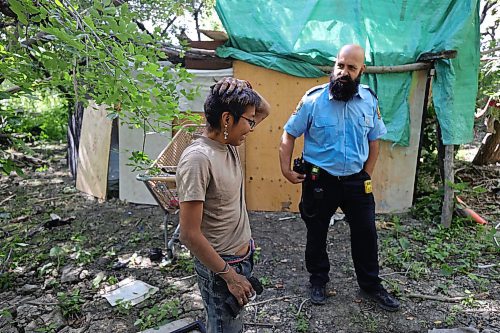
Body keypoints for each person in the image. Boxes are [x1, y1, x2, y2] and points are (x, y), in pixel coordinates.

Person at [279, 44, 400, 311]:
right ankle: (318, 280)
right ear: (334, 65)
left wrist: (366, 173)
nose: (343, 72)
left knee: (366, 232)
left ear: (361, 71)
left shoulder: (369, 100)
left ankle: (370, 285)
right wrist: (286, 169)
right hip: (320, 180)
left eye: (351, 68)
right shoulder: (312, 100)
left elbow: (375, 141)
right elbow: (289, 134)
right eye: (340, 65)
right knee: (317, 232)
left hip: (356, 180)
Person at [176, 77, 270, 332]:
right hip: (221, 270)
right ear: (227, 120)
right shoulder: (198, 159)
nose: (252, 127)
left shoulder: (227, 143)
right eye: (248, 121)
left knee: (229, 324)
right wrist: (230, 276)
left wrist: (244, 87)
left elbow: (265, 110)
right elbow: (188, 233)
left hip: (240, 259)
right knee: (223, 327)